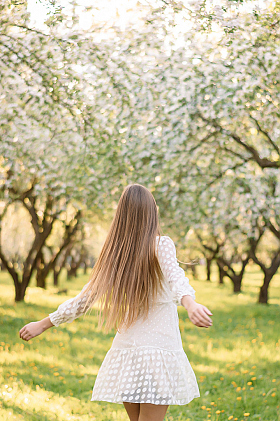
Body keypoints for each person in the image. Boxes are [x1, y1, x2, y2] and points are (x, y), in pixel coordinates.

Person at [19, 184, 213, 421]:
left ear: (120, 216)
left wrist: (44, 323)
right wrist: (190, 303)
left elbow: (84, 300)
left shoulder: (116, 254)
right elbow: (177, 279)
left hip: (128, 352)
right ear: (152, 213)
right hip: (158, 350)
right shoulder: (160, 244)